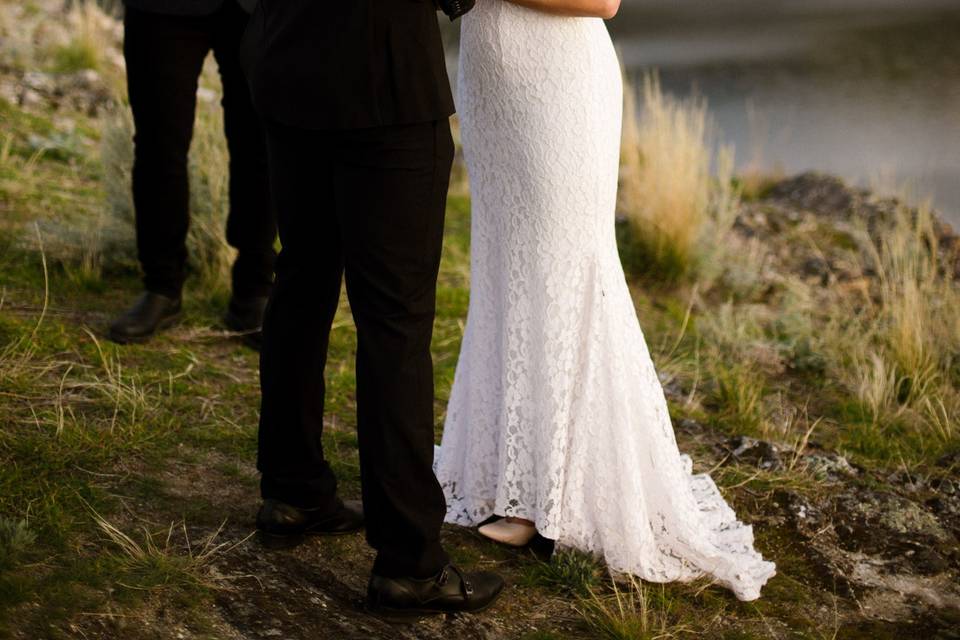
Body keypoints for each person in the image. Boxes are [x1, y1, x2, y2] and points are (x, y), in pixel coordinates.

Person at [433, 0, 777, 602]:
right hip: (491, 79)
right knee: (505, 272)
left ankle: (554, 497)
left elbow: (603, 2)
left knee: (562, 273)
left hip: (557, 83)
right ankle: (499, 471)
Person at [238, 0, 504, 620]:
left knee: (300, 283)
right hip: (383, 84)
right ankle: (409, 562)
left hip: (286, 66)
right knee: (395, 322)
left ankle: (292, 491)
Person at [109, 0, 276, 348]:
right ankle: (162, 286)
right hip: (162, 10)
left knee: (260, 148)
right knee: (158, 145)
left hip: (258, 9)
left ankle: (255, 289)